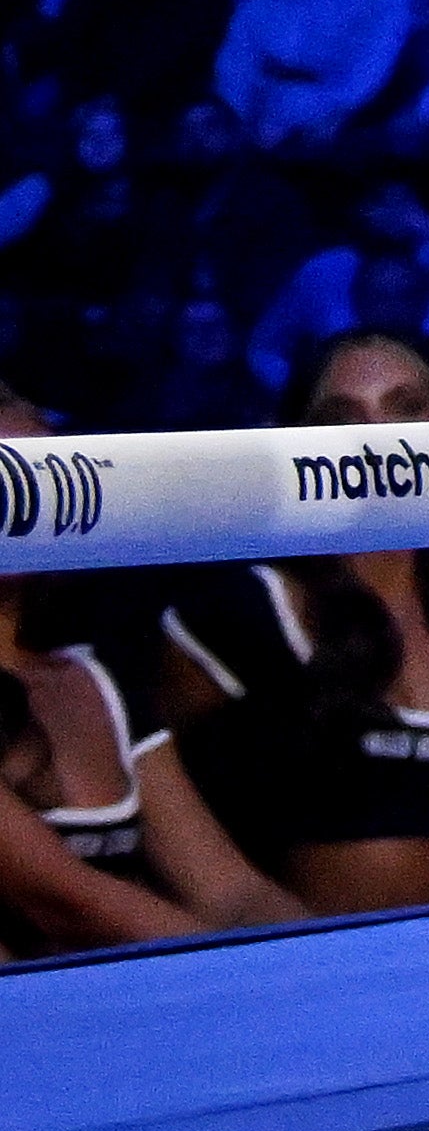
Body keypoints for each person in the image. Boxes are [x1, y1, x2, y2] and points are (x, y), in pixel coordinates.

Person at [146, 335, 429, 911]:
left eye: (406, 407)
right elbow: (158, 809)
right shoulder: (243, 616)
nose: (377, 436)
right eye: (342, 416)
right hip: (303, 977)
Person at [0, 386, 295, 952]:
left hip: (139, 1013)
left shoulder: (97, 676)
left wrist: (337, 961)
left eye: (40, 476)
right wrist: (250, 979)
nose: (22, 504)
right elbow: (62, 900)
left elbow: (228, 891)